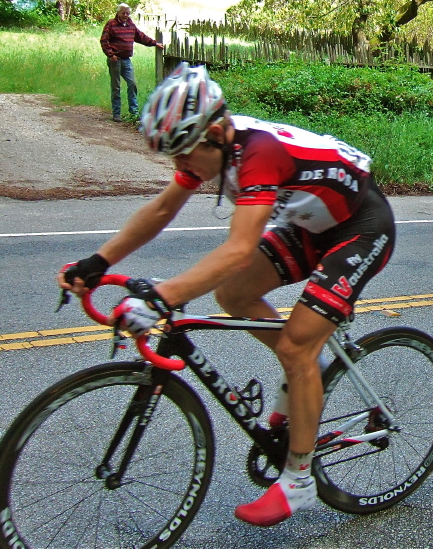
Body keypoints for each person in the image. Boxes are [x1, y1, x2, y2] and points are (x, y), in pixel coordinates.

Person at [57, 63, 396, 527]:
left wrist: (161, 298)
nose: (180, 168)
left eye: (183, 156)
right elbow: (161, 210)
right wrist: (98, 262)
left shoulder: (259, 154)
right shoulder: (216, 147)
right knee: (234, 294)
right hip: (310, 226)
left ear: (215, 133)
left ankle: (299, 480)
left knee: (295, 346)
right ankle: (312, 370)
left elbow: (237, 249)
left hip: (360, 229)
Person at [100, 3, 164, 122]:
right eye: (123, 13)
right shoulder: (111, 24)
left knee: (132, 84)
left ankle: (133, 112)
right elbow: (104, 40)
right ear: (118, 13)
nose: (125, 15)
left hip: (126, 60)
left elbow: (141, 37)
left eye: (127, 13)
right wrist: (111, 55)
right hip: (115, 60)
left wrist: (155, 43)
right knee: (116, 87)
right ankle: (116, 114)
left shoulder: (130, 25)